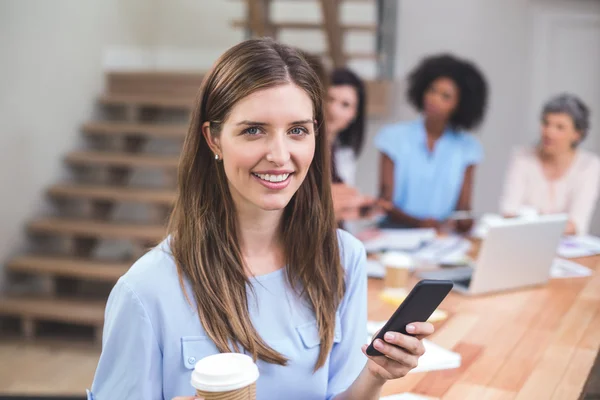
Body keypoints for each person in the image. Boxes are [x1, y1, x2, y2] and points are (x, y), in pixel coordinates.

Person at [88, 39, 433, 400]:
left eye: (297, 130)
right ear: (214, 138)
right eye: (254, 130)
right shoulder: (145, 291)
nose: (280, 155)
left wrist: (375, 375)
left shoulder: (343, 259)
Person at [375, 54, 488, 233]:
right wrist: (419, 224)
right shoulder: (393, 138)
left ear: (459, 105)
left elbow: (463, 208)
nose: (434, 99)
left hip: (440, 236)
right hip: (394, 232)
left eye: (445, 96)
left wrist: (465, 222)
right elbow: (385, 202)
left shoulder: (468, 147)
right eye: (432, 90)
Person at [500, 94, 600, 235]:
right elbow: (509, 211)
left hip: (568, 248)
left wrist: (529, 223)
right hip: (524, 242)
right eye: (546, 123)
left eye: (560, 127)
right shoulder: (522, 157)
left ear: (577, 134)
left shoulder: (589, 165)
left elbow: (576, 223)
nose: (549, 132)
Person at [327, 68, 366, 186]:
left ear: (355, 114)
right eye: (329, 99)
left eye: (345, 104)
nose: (333, 110)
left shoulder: (345, 154)